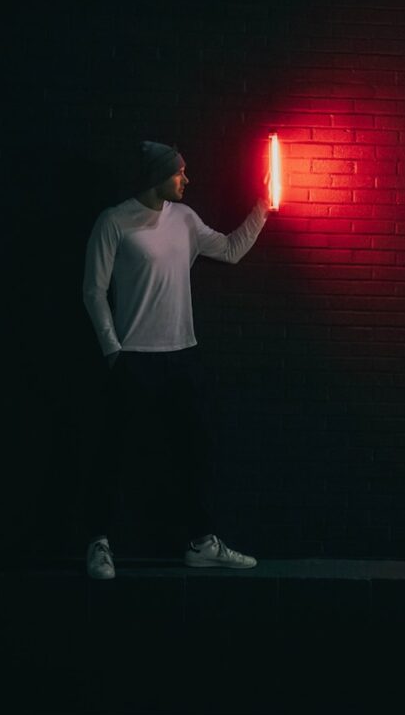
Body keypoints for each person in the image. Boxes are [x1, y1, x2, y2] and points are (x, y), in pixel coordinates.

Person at [81, 139, 270, 579]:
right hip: (134, 360)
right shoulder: (114, 222)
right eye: (179, 172)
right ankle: (98, 542)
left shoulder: (183, 219)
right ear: (156, 177)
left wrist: (263, 206)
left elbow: (228, 249)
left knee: (196, 450)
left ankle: (202, 542)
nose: (187, 179)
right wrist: (113, 351)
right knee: (114, 453)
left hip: (182, 355)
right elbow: (93, 290)